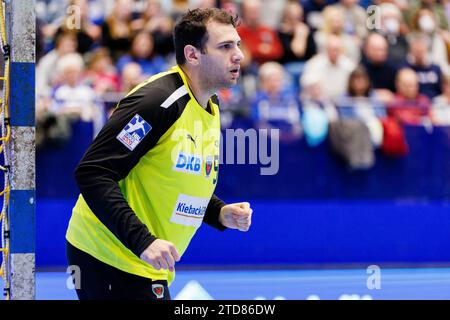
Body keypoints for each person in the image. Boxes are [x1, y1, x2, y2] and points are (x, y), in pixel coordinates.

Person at [65, 8, 253, 300]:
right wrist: (143, 241)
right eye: (225, 46)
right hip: (108, 255)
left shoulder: (210, 104)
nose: (239, 54)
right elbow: (93, 172)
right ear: (192, 54)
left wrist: (217, 212)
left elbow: (175, 178)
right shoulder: (158, 101)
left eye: (237, 44)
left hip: (144, 264)